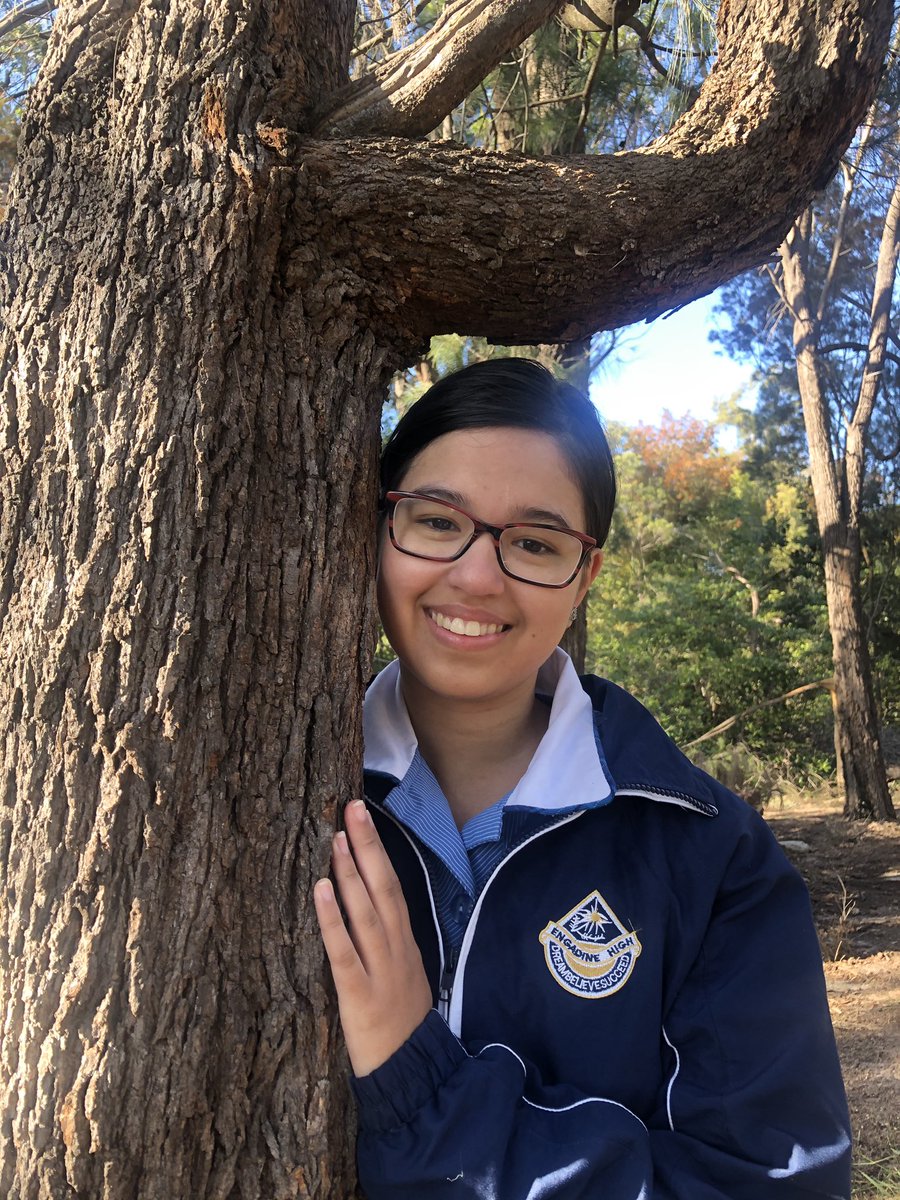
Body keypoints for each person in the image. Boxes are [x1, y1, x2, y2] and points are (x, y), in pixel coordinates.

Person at [313, 358, 851, 1199]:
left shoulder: (710, 857)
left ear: (585, 577)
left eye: (534, 542)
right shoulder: (271, 805)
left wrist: (425, 1097)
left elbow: (774, 1182)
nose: (478, 576)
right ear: (378, 529)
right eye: (436, 520)